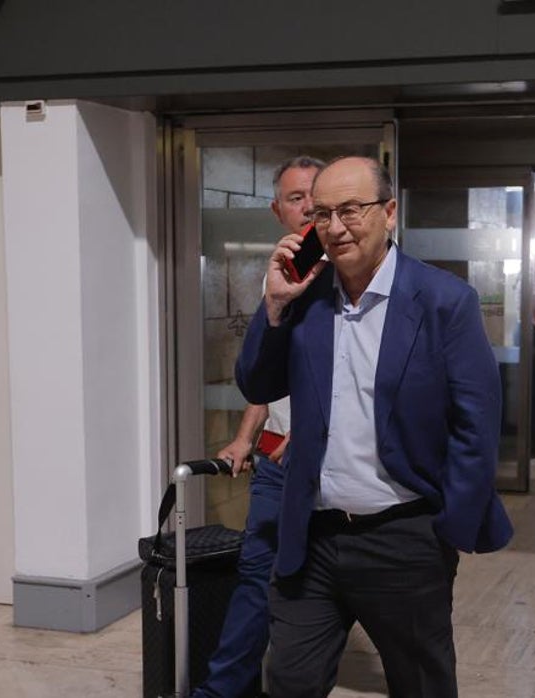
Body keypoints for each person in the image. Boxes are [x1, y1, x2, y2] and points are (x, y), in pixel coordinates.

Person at [235, 156, 513, 697]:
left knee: (420, 685)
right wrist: (273, 304)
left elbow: (476, 427)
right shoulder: (304, 296)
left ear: (389, 213)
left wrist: (444, 530)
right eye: (321, 214)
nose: (335, 228)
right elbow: (255, 385)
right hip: (312, 537)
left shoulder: (442, 300)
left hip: (404, 539)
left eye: (350, 210)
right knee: (289, 681)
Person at [194, 155, 324, 698]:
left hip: (340, 465)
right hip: (280, 466)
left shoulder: (352, 273)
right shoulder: (283, 274)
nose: (310, 207)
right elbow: (267, 376)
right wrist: (246, 437)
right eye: (297, 198)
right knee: (256, 578)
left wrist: (320, 430)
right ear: (278, 211)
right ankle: (221, 692)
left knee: (351, 590)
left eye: (318, 195)